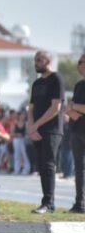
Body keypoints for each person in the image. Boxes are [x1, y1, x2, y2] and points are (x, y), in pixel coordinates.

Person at [27, 50, 65, 214]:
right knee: (42, 166)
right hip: (37, 130)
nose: (36, 63)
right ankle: (47, 202)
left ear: (48, 61)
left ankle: (48, 203)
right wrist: (31, 127)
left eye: (39, 60)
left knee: (49, 165)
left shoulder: (56, 79)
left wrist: (37, 125)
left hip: (52, 130)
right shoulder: (36, 83)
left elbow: (55, 107)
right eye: (35, 60)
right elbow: (31, 108)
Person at [63, 54, 85, 213]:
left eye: (81, 62)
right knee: (79, 169)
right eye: (78, 62)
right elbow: (70, 109)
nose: (79, 65)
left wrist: (75, 106)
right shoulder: (79, 85)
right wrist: (73, 109)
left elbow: (75, 107)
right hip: (77, 131)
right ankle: (79, 203)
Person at [11, 110, 30, 175]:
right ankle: (17, 169)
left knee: (25, 154)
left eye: (24, 115)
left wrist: (25, 135)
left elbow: (27, 132)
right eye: (22, 115)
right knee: (17, 155)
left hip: (23, 140)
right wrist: (17, 135)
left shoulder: (26, 123)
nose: (23, 116)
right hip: (16, 140)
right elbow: (12, 133)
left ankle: (26, 169)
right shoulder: (15, 123)